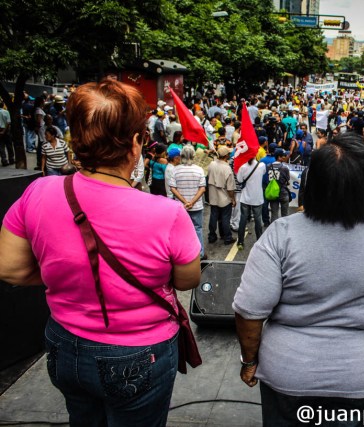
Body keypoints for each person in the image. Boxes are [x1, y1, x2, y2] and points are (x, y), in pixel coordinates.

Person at [0, 79, 201, 426]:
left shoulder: (38, 192)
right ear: (136, 143)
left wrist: (66, 272)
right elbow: (187, 281)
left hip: (64, 346)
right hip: (139, 355)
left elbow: (11, 269)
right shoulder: (167, 214)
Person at [232, 133, 364, 426]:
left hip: (288, 374)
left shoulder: (282, 233)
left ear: (312, 184)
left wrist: (250, 361)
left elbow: (250, 312)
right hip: (362, 375)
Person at [169, 145, 207, 259]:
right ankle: (200, 254)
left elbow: (172, 188)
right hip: (197, 206)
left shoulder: (175, 170)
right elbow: (202, 188)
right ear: (193, 156)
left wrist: (185, 202)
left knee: (181, 230)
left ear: (181, 157)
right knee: (198, 229)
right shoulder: (199, 169)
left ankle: (183, 254)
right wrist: (192, 202)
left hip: (181, 207)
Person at [207, 145, 236, 245]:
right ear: (226, 156)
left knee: (213, 216)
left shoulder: (212, 164)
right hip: (224, 197)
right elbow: (230, 188)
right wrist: (232, 199)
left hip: (213, 195)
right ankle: (227, 237)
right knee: (225, 218)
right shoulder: (227, 169)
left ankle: (212, 236)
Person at [236, 156, 267, 251]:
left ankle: (240, 241)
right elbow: (264, 172)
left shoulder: (243, 167)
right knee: (258, 219)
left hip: (245, 197)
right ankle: (259, 240)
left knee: (243, 219)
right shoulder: (261, 165)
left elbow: (240, 180)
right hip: (257, 197)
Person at [266, 148, 291, 222]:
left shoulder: (268, 166)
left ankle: (274, 231)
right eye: (284, 156)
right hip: (283, 192)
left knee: (274, 215)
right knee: (285, 215)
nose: (285, 157)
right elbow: (288, 180)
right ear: (279, 157)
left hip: (273, 193)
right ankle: (284, 231)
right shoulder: (284, 168)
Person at [0, 100, 13, 166]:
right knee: (9, 145)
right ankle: (11, 159)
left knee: (1, 146)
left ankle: (4, 160)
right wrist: (4, 131)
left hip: (0, 129)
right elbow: (8, 122)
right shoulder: (6, 112)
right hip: (6, 130)